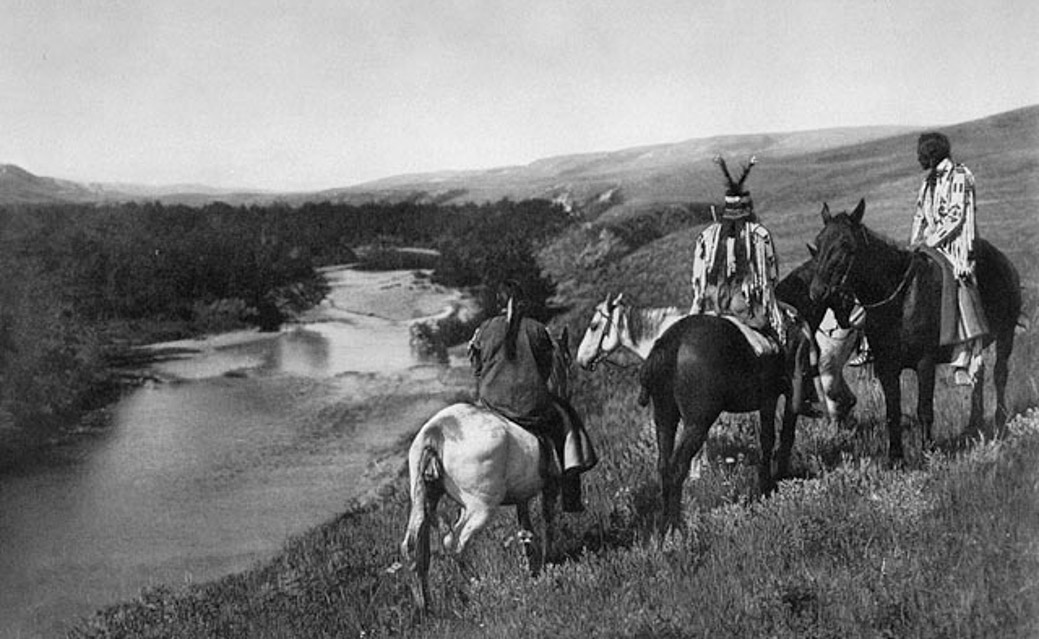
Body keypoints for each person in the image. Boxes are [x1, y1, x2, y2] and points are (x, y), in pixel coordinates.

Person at [690, 156, 817, 415]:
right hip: (742, 303)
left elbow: (697, 277)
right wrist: (772, 304)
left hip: (712, 300)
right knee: (797, 337)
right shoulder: (759, 235)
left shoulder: (706, 235)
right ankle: (800, 397)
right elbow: (768, 279)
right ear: (748, 209)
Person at [467, 281, 597, 512]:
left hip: (491, 403)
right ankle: (571, 490)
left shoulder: (484, 329)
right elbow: (548, 369)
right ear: (523, 304)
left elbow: (476, 369)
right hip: (529, 406)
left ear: (498, 304)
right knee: (566, 419)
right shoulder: (537, 330)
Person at [908, 132, 988, 385]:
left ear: (930, 154)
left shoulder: (960, 176)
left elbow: (956, 216)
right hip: (929, 243)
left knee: (956, 277)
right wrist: (914, 244)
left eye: (922, 153)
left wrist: (931, 240)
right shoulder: (928, 181)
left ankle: (965, 353)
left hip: (955, 244)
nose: (918, 158)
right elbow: (920, 214)